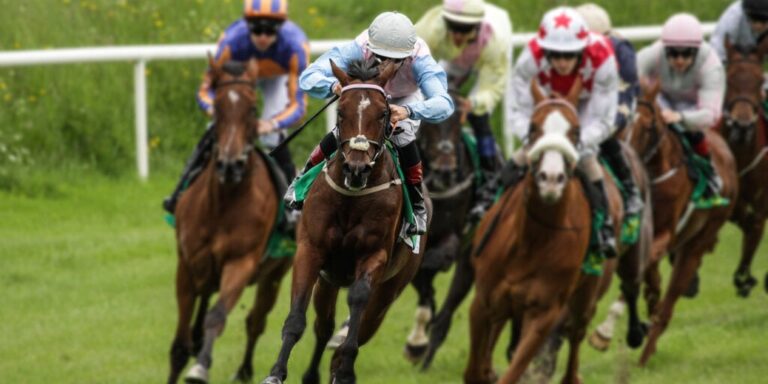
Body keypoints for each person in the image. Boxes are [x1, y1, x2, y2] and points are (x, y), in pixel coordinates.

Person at [289, 11, 454, 235]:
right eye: (381, 57)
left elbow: (444, 103)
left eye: (396, 60)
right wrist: (333, 86)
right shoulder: (359, 46)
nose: (387, 65)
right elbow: (309, 76)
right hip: (367, 95)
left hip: (405, 98)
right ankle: (302, 180)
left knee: (402, 133)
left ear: (408, 55)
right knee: (348, 128)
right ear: (371, 48)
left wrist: (408, 111)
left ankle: (417, 205)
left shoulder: (420, 58)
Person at [477, 6, 621, 257]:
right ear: (544, 50)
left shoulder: (602, 58)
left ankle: (604, 226)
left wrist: (573, 143)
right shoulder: (530, 58)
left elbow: (604, 119)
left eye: (569, 55)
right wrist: (536, 140)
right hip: (544, 107)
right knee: (523, 155)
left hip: (585, 107)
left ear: (582, 50)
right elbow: (518, 113)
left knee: (588, 160)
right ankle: (488, 204)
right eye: (555, 55)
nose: (562, 62)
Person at [162, 0, 309, 214]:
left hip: (278, 78)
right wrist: (217, 110)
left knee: (272, 137)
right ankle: (178, 193)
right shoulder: (231, 41)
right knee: (214, 129)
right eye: (257, 29)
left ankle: (292, 209)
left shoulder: (296, 45)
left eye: (270, 30)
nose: (263, 37)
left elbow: (298, 105)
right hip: (238, 78)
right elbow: (205, 90)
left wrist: (272, 123)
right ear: (247, 26)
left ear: (281, 29)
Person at [414, 0, 512, 180]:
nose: (458, 35)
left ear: (476, 27)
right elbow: (410, 63)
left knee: (478, 115)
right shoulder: (431, 28)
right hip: (452, 58)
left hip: (486, 62)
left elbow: (491, 87)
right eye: (453, 28)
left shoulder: (495, 43)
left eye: (464, 29)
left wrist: (473, 103)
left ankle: (491, 176)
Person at [637, 13, 726, 204]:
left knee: (694, 133)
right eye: (673, 53)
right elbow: (629, 78)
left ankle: (709, 175)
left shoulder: (711, 67)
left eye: (686, 54)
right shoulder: (653, 53)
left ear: (696, 51)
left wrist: (681, 117)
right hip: (662, 99)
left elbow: (711, 115)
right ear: (665, 49)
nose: (679, 60)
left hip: (694, 107)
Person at [576, 3, 644, 222]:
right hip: (582, 102)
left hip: (616, 101)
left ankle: (630, 188)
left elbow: (623, 94)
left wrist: (603, 124)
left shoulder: (621, 52)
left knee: (603, 135)